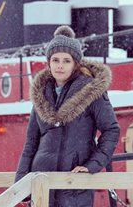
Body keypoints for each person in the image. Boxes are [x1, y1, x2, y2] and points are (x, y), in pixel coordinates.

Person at [15, 25, 120, 207]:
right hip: (42, 185)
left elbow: (111, 130)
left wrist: (92, 165)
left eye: (66, 60)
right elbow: (31, 143)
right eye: (55, 60)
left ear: (75, 63)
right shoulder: (41, 95)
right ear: (49, 63)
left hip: (74, 188)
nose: (60, 66)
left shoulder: (91, 92)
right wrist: (21, 184)